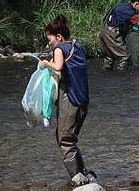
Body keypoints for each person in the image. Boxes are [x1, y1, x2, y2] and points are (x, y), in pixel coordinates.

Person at [39, 15, 96, 186]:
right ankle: (83, 173)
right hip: (83, 102)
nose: (49, 43)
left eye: (50, 38)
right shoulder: (77, 45)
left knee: (64, 139)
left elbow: (58, 67)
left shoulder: (59, 49)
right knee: (71, 139)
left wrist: (45, 64)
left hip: (70, 100)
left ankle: (77, 179)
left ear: (58, 36)